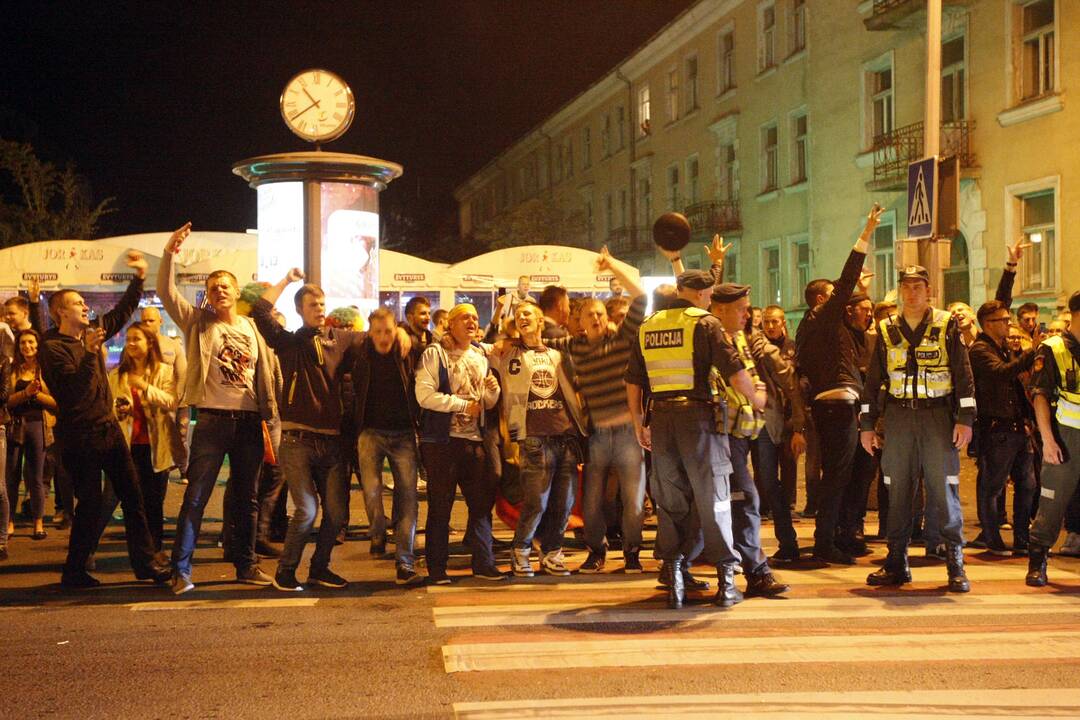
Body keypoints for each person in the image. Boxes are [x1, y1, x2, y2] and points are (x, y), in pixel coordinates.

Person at [626, 269, 765, 609]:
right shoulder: (704, 323)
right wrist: (755, 400)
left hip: (661, 420)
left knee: (670, 501)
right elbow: (734, 370)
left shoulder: (650, 325)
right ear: (703, 294)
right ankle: (726, 583)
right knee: (714, 498)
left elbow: (633, 381)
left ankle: (675, 580)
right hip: (700, 421)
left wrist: (637, 423)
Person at [158, 223, 279, 594]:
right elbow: (165, 291)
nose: (219, 290)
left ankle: (246, 565)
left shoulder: (253, 328)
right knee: (196, 496)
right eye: (213, 288)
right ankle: (181, 570)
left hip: (248, 424)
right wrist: (169, 253)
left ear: (237, 291)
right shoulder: (198, 322)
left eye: (225, 285)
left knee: (247, 499)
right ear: (207, 296)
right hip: (211, 421)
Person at [40, 250, 171, 588]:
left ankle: (147, 564)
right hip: (79, 435)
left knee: (133, 494)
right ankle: (74, 570)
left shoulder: (93, 332)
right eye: (77, 303)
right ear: (59, 313)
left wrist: (139, 277)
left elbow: (123, 311)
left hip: (108, 429)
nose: (85, 307)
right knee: (92, 502)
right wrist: (88, 352)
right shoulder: (51, 346)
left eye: (85, 302)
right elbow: (70, 391)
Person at [253, 269, 379, 591]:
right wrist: (285, 281)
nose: (320, 309)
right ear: (300, 310)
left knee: (336, 516)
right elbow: (260, 311)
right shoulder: (288, 342)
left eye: (322, 304)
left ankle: (319, 569)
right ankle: (285, 572)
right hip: (297, 441)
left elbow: (378, 337)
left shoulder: (340, 340)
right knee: (307, 510)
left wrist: (393, 331)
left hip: (333, 443)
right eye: (312, 304)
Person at [861, 265, 975, 593]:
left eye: (918, 286)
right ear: (899, 291)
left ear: (929, 291)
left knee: (944, 490)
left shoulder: (945, 324)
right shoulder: (885, 329)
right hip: (898, 419)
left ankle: (955, 564)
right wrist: (867, 425)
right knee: (897, 490)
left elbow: (963, 374)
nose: (912, 292)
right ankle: (897, 562)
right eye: (906, 286)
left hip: (937, 417)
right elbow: (873, 381)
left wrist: (965, 419)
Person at [541, 247, 648, 574]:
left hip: (628, 433)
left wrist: (612, 264)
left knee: (632, 501)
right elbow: (536, 339)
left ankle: (631, 553)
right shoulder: (575, 346)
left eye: (601, 313)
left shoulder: (623, 340)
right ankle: (596, 551)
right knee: (591, 503)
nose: (598, 318)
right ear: (581, 323)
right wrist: (506, 337)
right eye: (591, 315)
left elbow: (641, 296)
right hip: (599, 435)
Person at [795, 205, 882, 565]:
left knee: (847, 474)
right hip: (837, 407)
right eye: (834, 295)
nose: (842, 301)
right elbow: (844, 281)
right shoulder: (820, 317)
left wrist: (859, 293)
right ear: (821, 299)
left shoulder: (823, 328)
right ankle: (824, 543)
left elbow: (857, 349)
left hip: (842, 405)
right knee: (837, 476)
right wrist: (865, 235)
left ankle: (840, 536)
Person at [490, 301, 587, 577]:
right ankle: (520, 552)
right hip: (533, 438)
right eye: (518, 315)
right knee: (536, 502)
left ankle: (552, 552)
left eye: (528, 314)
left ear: (540, 320)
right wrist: (502, 334)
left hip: (565, 436)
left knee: (564, 502)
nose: (522, 317)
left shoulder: (557, 355)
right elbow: (485, 344)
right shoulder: (509, 353)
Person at [708, 283, 792, 595]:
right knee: (744, 501)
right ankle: (755, 572)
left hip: (740, 433)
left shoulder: (739, 337)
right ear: (720, 310)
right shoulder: (711, 337)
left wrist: (758, 393)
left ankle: (681, 567)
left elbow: (754, 377)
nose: (749, 314)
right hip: (719, 435)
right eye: (742, 309)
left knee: (739, 502)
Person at [415, 303, 503, 584]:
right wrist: (463, 405)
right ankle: (437, 569)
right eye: (465, 317)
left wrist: (493, 392)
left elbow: (486, 402)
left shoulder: (479, 355)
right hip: (442, 442)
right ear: (450, 324)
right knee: (441, 507)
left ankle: (483, 563)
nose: (472, 322)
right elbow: (424, 396)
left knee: (480, 504)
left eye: (475, 318)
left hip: (474, 440)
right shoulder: (435, 353)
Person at [968, 240, 1036, 555]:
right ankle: (991, 536)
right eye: (1004, 321)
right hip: (996, 428)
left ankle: (1022, 537)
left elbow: (1001, 300)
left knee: (1027, 484)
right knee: (992, 485)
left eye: (1009, 319)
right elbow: (1000, 373)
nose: (1009, 324)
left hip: (1017, 427)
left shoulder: (1001, 342)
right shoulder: (980, 349)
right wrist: (1031, 354)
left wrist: (1011, 267)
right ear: (987, 324)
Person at [352, 307, 422, 585]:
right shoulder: (359, 351)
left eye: (389, 331)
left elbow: (429, 343)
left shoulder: (407, 350)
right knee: (371, 492)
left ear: (397, 330)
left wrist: (407, 334)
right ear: (369, 333)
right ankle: (378, 531)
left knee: (408, 497)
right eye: (378, 332)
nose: (384, 337)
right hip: (370, 432)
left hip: (404, 433)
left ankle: (404, 559)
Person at [1024, 291, 1080, 587]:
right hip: (1066, 438)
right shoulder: (1053, 348)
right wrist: (1047, 440)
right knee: (1052, 501)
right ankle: (1038, 560)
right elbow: (1040, 397)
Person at [107, 322, 178, 551]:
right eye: (128, 339)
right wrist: (121, 411)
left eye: (136, 339)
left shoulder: (164, 371)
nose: (130, 344)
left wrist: (145, 387)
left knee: (154, 502)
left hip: (156, 446)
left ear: (149, 343)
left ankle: (156, 550)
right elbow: (110, 408)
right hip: (127, 447)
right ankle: (140, 551)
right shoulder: (117, 375)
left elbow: (171, 401)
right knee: (132, 502)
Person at [6, 329, 56, 541]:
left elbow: (56, 403)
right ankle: (8, 522)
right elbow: (5, 401)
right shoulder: (12, 369)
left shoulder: (47, 370)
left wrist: (39, 393)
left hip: (38, 425)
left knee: (36, 477)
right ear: (18, 346)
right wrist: (25, 393)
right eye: (23, 343)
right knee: (11, 476)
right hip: (15, 426)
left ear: (38, 345)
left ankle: (38, 522)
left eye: (31, 343)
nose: (27, 346)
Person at [140, 306, 189, 480]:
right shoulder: (136, 344)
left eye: (151, 320)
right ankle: (159, 469)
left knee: (179, 436)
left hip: (177, 400)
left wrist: (177, 397)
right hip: (149, 402)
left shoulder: (172, 344)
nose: (147, 324)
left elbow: (182, 373)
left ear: (160, 321)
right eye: (144, 320)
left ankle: (184, 470)